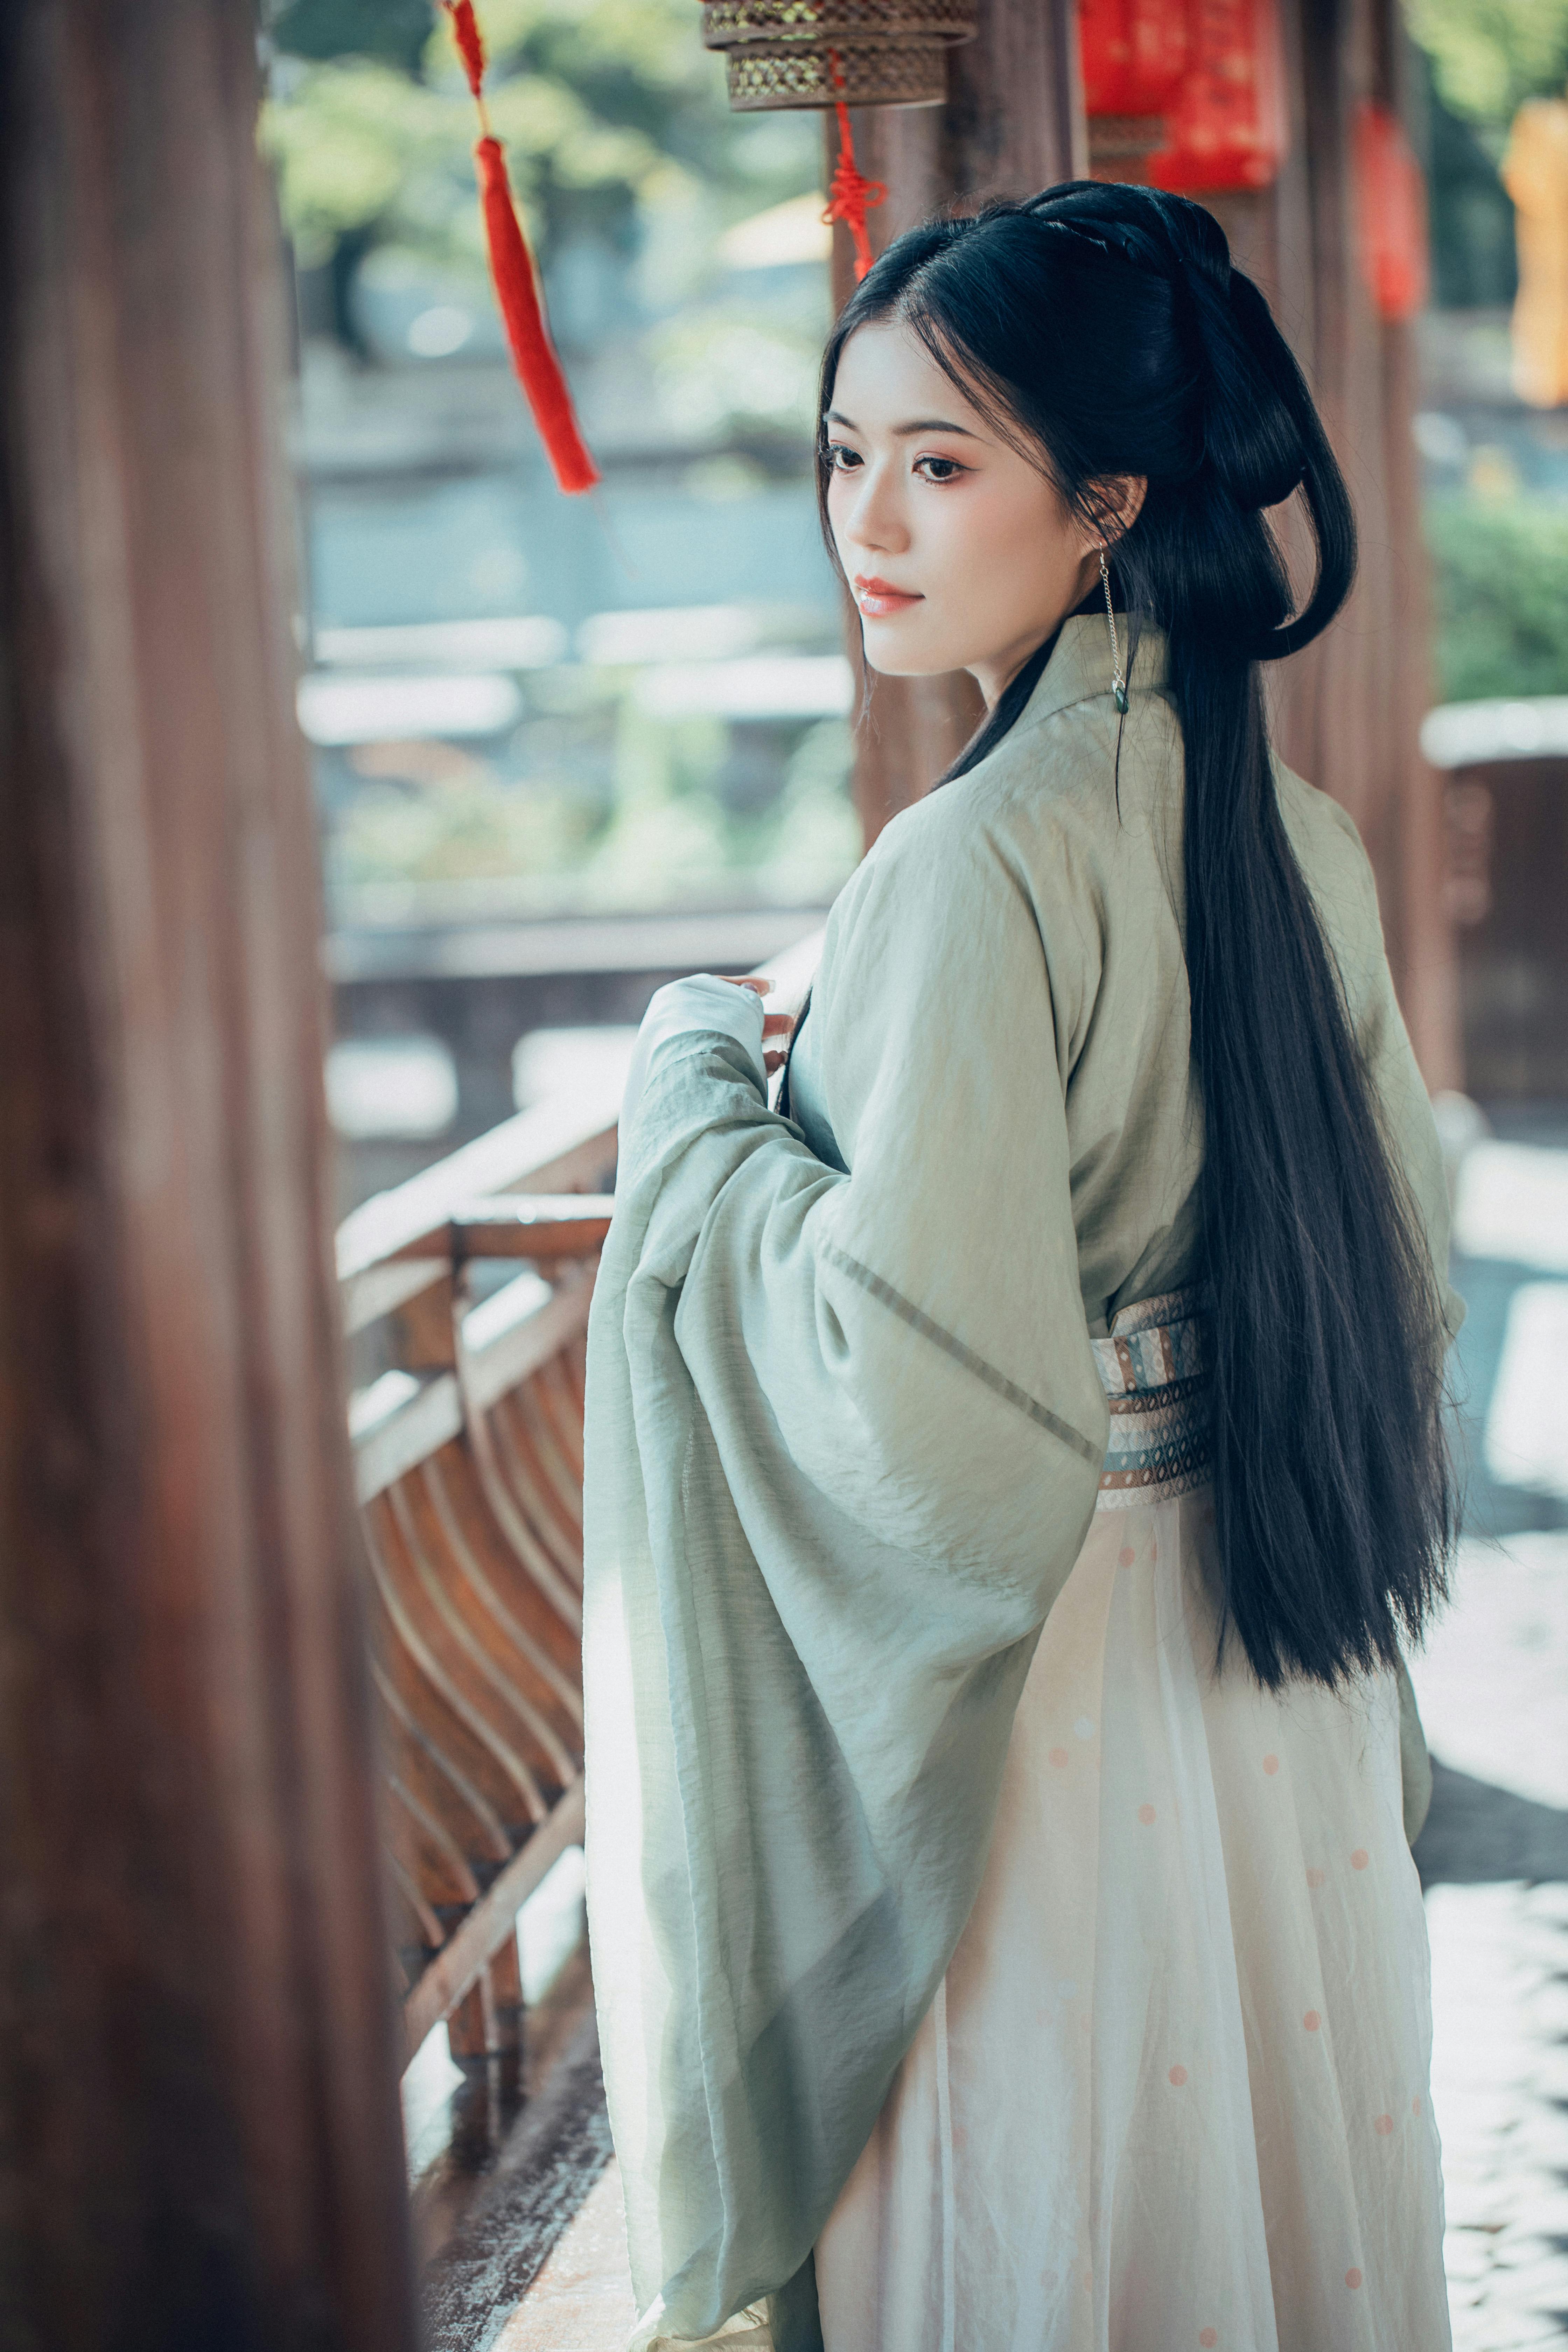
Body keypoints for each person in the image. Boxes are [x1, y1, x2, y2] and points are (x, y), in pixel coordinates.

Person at [583, 182, 1461, 2352]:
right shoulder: (1285, 827)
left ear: (1107, 504)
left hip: (1054, 1681)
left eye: (942, 462)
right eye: (844, 452)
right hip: (1264, 1644)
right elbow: (1403, 1270)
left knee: (1047, 2209)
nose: (866, 519)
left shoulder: (966, 863)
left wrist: (694, 1086)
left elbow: (907, 1383)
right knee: (1262, 2198)